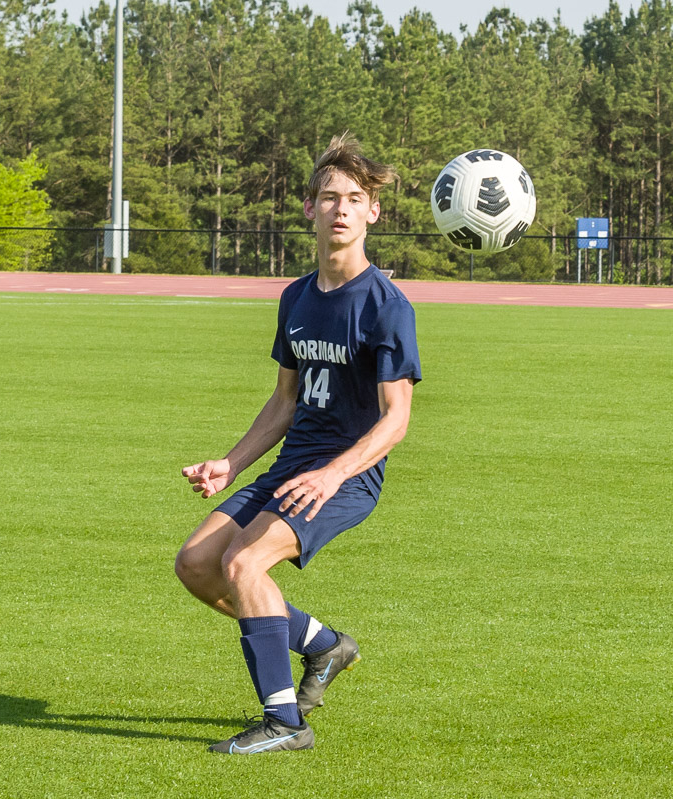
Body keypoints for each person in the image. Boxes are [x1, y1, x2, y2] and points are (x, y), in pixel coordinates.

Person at [175, 132, 422, 755]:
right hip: (292, 468)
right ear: (309, 208)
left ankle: (285, 722)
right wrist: (230, 463)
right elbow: (285, 401)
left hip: (347, 478)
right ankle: (322, 645)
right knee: (198, 565)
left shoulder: (387, 306)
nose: (341, 208)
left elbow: (395, 420)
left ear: (373, 212)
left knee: (243, 564)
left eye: (355, 198)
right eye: (329, 196)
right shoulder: (296, 297)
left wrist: (333, 475)